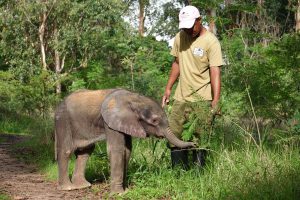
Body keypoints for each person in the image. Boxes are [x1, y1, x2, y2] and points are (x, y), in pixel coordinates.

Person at [162, 5, 223, 169]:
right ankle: (178, 172)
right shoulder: (180, 37)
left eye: (191, 27)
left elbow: (215, 71)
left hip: (201, 99)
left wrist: (215, 101)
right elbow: (177, 63)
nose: (188, 31)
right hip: (180, 97)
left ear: (199, 21)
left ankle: (198, 174)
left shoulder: (211, 42)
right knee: (173, 134)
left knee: (200, 137)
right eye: (185, 27)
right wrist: (168, 88)